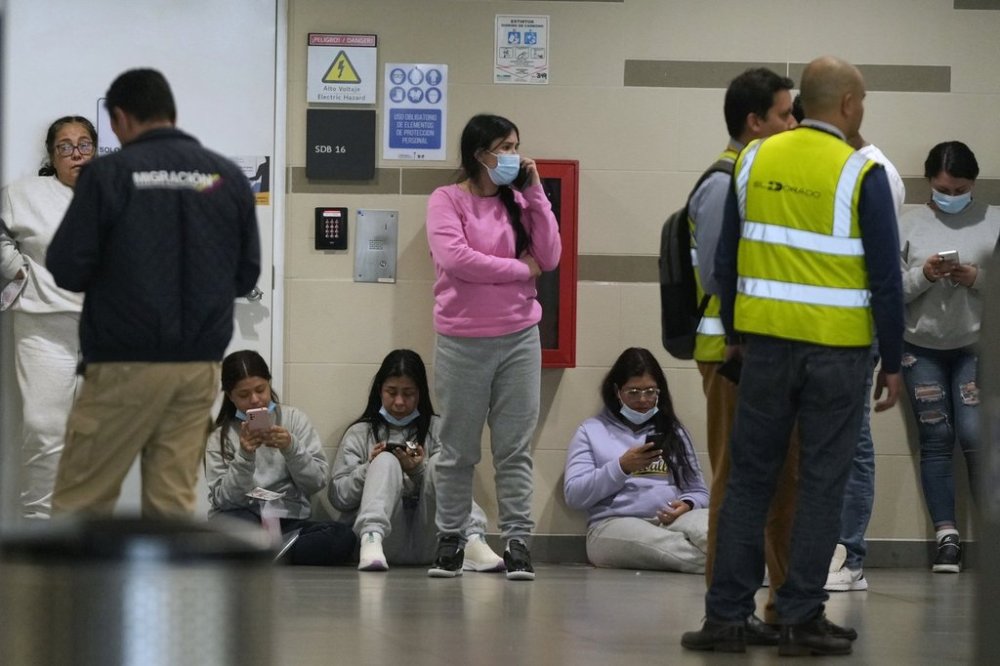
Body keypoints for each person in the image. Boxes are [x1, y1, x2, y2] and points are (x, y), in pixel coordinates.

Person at [682, 56, 904, 657]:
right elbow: (886, 276)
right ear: (850, 104)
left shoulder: (754, 158)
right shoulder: (863, 171)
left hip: (764, 349)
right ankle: (800, 616)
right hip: (838, 354)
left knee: (751, 481)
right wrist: (894, 360)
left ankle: (727, 616)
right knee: (820, 483)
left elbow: (727, 255)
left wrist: (732, 332)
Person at [47, 68, 260, 517]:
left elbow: (66, 267)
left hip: (124, 363)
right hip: (198, 368)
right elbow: (246, 276)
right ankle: (171, 590)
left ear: (120, 117)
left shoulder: (107, 175)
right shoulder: (226, 177)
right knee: (173, 506)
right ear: (171, 113)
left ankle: (77, 591)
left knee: (81, 500)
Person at [425, 113, 561, 580]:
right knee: (457, 449)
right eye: (504, 147)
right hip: (462, 341)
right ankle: (451, 541)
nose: (513, 157)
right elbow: (456, 260)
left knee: (514, 448)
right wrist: (521, 272)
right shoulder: (446, 200)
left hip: (520, 336)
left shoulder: (520, 201)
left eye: (516, 147)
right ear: (479, 154)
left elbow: (551, 255)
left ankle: (518, 541)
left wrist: (537, 193)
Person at [689, 68, 796, 639]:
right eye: (784, 115)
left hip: (769, 356)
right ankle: (726, 612)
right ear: (754, 122)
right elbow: (716, 271)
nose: (794, 124)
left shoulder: (762, 178)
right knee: (734, 482)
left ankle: (787, 606)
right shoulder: (722, 182)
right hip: (729, 357)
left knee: (785, 483)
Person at [794, 94, 907, 592]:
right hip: (809, 332)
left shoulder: (875, 171)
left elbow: (885, 272)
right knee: (811, 446)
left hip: (854, 336)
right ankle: (814, 557)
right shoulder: (821, 164)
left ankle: (850, 557)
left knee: (853, 444)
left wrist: (890, 351)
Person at [898, 141, 999, 574]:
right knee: (935, 441)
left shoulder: (994, 222)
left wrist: (977, 278)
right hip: (920, 348)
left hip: (976, 346)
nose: (950, 195)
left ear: (973, 184)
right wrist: (924, 275)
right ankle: (947, 539)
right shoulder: (908, 224)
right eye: (942, 187)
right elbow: (890, 294)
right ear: (929, 183)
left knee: (977, 438)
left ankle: (989, 538)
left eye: (959, 188)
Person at [329, 349, 505, 573]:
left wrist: (418, 471)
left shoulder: (438, 430)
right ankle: (372, 537)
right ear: (379, 391)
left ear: (420, 393)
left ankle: (473, 540)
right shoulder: (359, 433)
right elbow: (338, 498)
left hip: (434, 539)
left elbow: (455, 487)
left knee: (441, 461)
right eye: (391, 392)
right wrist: (368, 469)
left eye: (408, 393)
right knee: (385, 460)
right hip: (383, 540)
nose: (399, 402)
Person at [0, 116, 96, 519]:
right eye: (65, 146)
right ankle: (39, 530)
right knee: (43, 429)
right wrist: (16, 268)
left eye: (84, 144)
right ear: (52, 156)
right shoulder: (24, 194)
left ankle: (84, 533)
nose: (76, 153)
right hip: (43, 329)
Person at [563, 347, 710, 572]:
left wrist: (689, 503)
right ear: (616, 391)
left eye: (650, 391)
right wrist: (621, 467)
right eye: (633, 392)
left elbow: (699, 490)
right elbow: (575, 495)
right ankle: (737, 572)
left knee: (715, 528)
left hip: (672, 520)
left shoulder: (674, 431)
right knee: (673, 549)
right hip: (615, 525)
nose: (643, 400)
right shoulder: (591, 431)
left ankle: (747, 570)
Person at [205, 350, 355, 565]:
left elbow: (316, 483)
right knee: (228, 533)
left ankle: (259, 554)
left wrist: (291, 447)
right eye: (244, 395)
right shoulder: (219, 437)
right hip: (243, 516)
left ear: (269, 384)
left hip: (288, 518)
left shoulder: (294, 420)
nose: (255, 400)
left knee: (342, 537)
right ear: (230, 396)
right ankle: (272, 552)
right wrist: (245, 456)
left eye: (260, 390)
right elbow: (226, 500)